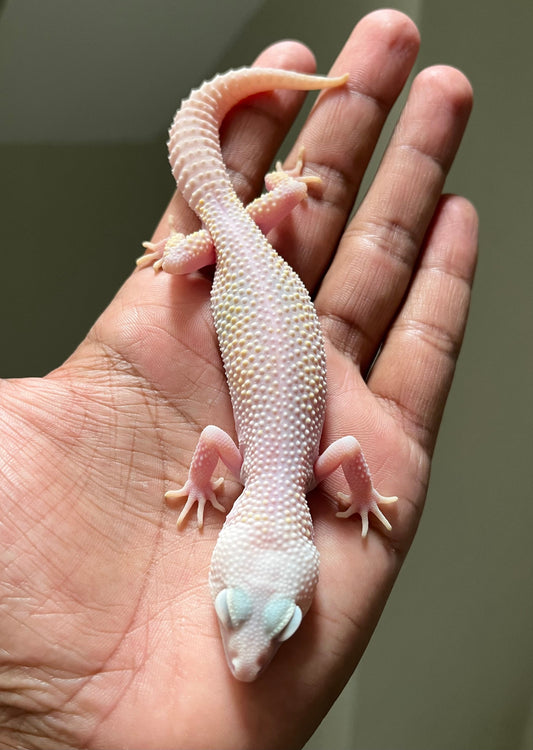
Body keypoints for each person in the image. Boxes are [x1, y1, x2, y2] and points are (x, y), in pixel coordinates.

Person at [0, 9, 477, 749]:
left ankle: (277, 194)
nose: (247, 654)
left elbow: (337, 459)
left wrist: (333, 495)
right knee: (200, 243)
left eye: (235, 609)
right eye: (271, 619)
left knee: (209, 240)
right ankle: (248, 202)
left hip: (234, 238)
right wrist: (207, 482)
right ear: (294, 563)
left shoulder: (304, 474)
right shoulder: (267, 471)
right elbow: (227, 442)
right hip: (229, 241)